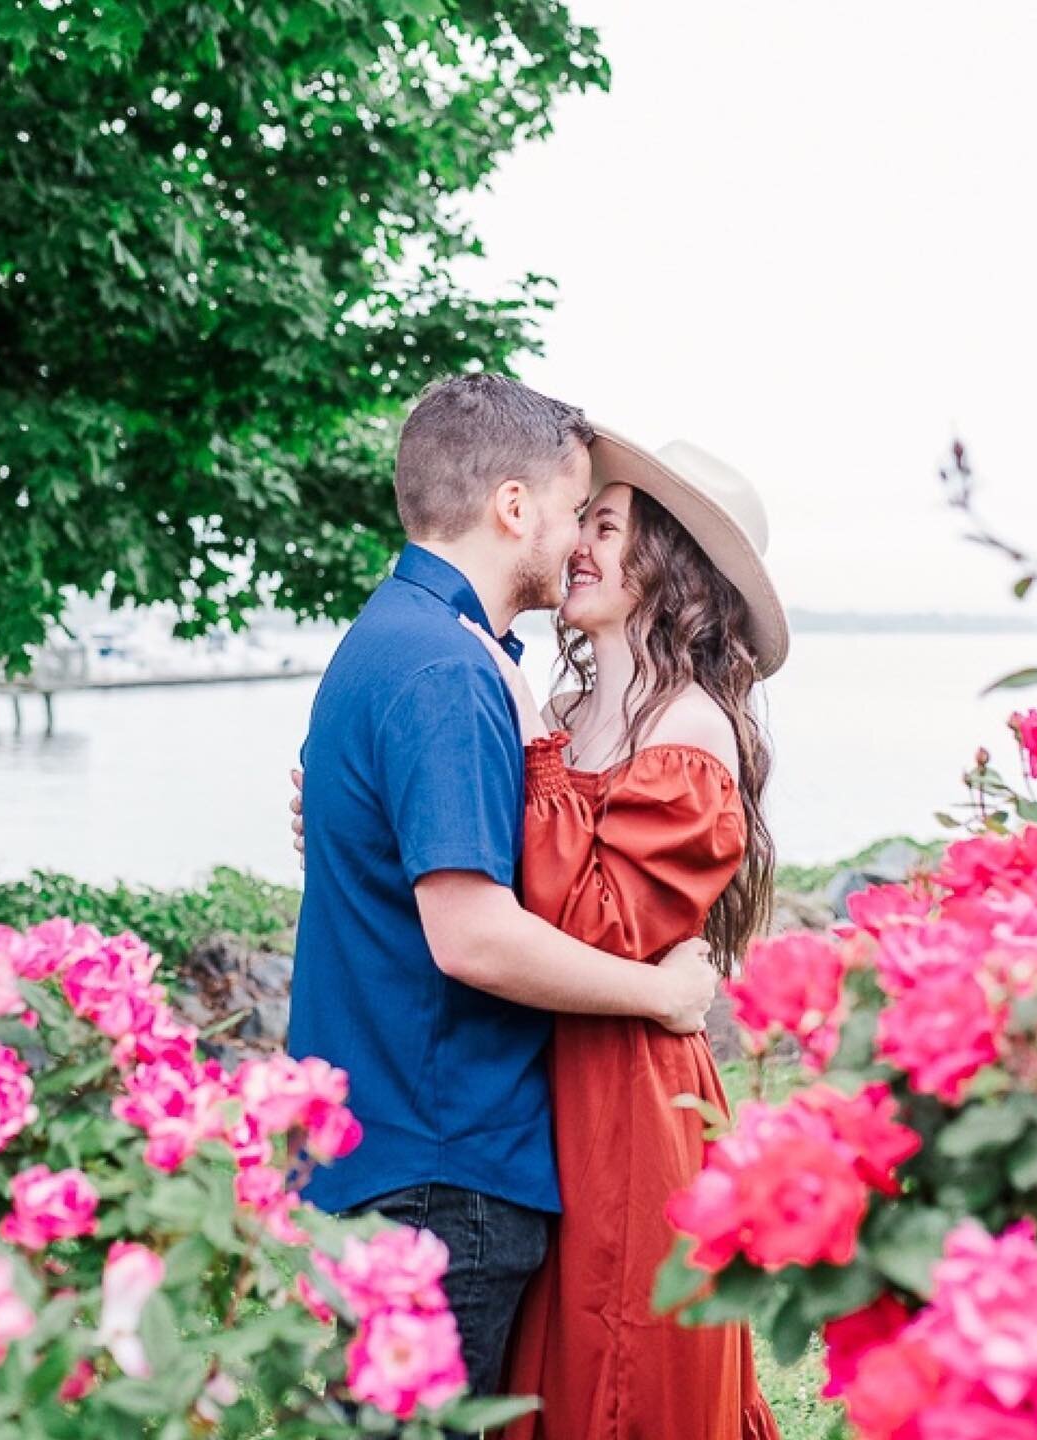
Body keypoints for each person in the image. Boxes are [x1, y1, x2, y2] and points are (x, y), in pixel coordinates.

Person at [286, 377, 722, 1406]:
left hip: (379, 1147)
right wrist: (662, 996)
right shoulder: (449, 670)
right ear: (514, 508)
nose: (578, 542)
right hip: (437, 1167)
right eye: (577, 511)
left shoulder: (390, 635)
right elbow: (474, 937)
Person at [461, 427, 787, 1440]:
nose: (580, 545)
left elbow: (596, 922)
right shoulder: (566, 712)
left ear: (669, 564)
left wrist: (518, 728)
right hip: (540, 1071)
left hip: (628, 1093)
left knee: (618, 1356)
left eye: (607, 526)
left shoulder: (690, 727)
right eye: (585, 524)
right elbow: (480, 870)